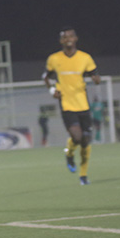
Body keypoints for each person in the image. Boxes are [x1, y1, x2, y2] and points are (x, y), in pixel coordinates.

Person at [43, 27, 100, 185]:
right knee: (77, 136)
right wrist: (52, 90)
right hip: (67, 103)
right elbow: (46, 77)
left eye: (71, 36)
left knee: (85, 141)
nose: (68, 38)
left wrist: (96, 78)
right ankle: (69, 154)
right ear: (61, 41)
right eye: (65, 37)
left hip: (83, 103)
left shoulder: (85, 57)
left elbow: (94, 74)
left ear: (76, 38)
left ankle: (83, 175)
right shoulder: (54, 59)